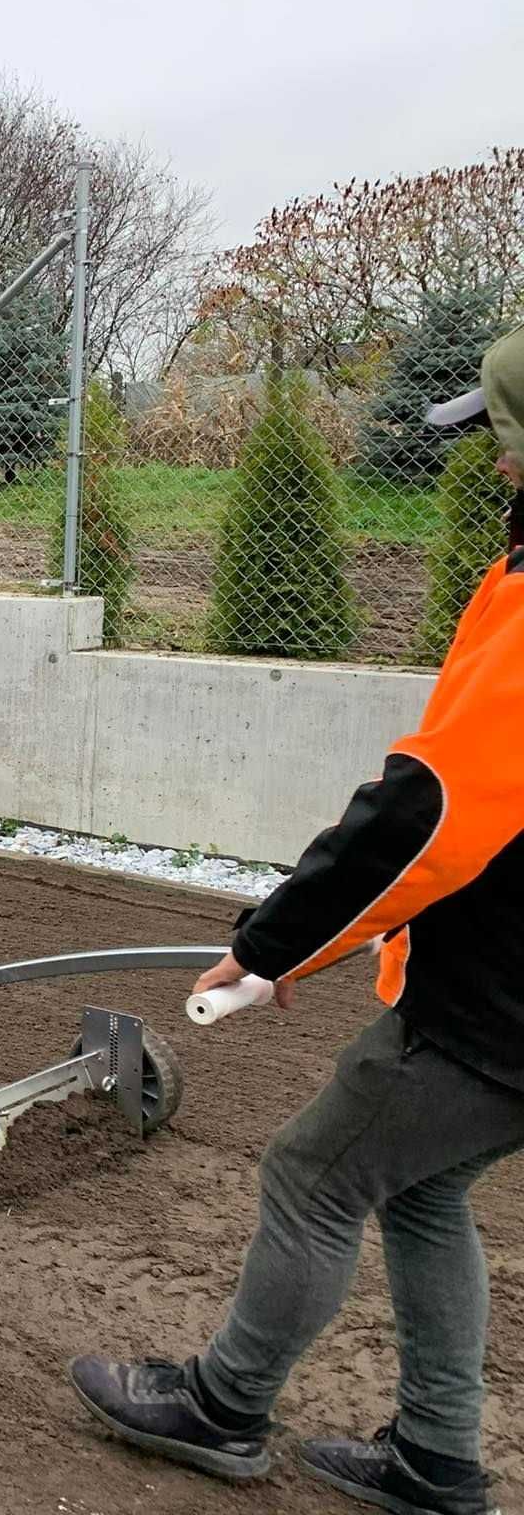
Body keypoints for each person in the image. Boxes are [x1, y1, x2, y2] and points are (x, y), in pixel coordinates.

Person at [68, 322, 524, 1515]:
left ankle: (222, 1407)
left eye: (502, 437)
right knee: (418, 1189)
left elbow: (423, 815)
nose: (489, 462)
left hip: (490, 1015)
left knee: (312, 1173)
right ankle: (434, 1460)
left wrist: (270, 948)